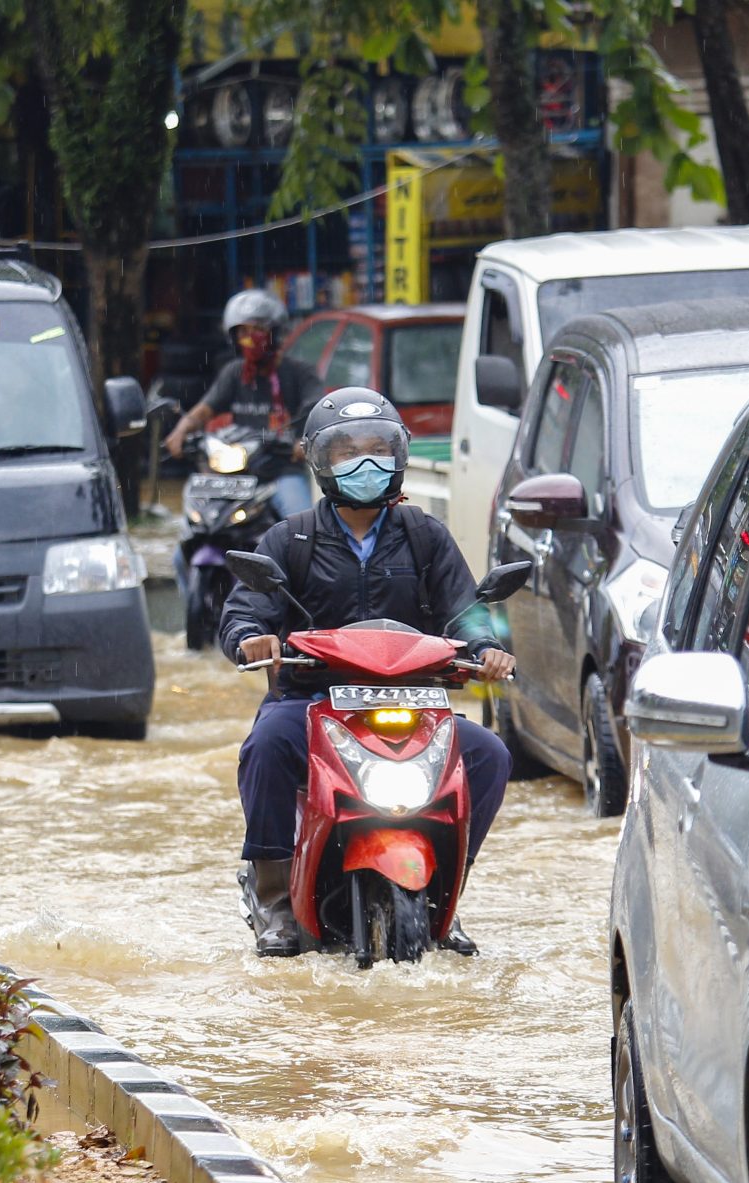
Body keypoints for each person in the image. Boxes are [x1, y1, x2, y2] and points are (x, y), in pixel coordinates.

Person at [217, 388, 517, 957]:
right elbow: (242, 611)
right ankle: (275, 899)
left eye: (379, 449)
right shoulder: (291, 539)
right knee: (265, 747)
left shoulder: (426, 536)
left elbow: (468, 611)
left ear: (399, 457)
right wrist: (250, 640)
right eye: (347, 452)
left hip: (414, 704)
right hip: (311, 701)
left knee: (489, 756)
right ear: (320, 461)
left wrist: (487, 647)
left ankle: (447, 898)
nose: (366, 464)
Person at [163, 289, 320, 519]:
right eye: (243, 331)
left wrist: (305, 441)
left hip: (282, 470)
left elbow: (317, 409)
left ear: (275, 333)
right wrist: (181, 430)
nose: (250, 337)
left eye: (258, 329)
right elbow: (205, 409)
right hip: (235, 475)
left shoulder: (299, 373)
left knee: (302, 526)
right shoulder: (234, 373)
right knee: (193, 531)